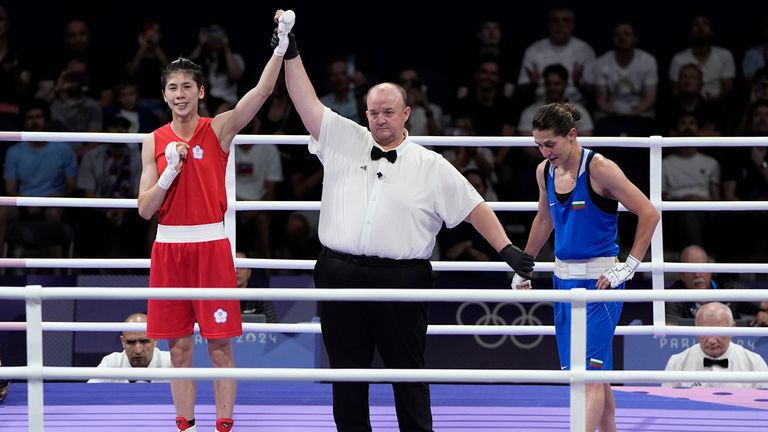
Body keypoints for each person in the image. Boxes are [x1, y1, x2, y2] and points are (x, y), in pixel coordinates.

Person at [275, 12, 535, 432]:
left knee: (407, 373)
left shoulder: (431, 165)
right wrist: (292, 49)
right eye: (374, 112)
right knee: (346, 374)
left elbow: (474, 207)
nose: (380, 119)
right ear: (365, 113)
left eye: (389, 111)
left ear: (407, 113)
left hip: (402, 278)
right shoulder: (342, 137)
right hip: (338, 271)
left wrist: (507, 250)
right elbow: (304, 98)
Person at [136, 10, 295, 432]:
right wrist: (169, 171)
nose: (180, 93)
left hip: (211, 247)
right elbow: (145, 208)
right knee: (179, 347)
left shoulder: (219, 129)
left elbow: (260, 93)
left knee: (221, 346)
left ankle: (224, 425)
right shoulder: (153, 141)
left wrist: (281, 46)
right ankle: (184, 424)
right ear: (165, 95)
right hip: (169, 248)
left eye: (187, 86)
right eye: (173, 87)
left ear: (200, 92)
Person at [512, 102, 660, 432]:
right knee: (590, 375)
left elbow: (649, 212)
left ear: (572, 135)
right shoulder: (544, 171)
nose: (544, 151)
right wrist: (524, 265)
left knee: (588, 378)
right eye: (538, 144)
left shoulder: (600, 168)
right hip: (562, 281)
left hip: (601, 283)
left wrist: (629, 265)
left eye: (550, 144)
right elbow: (545, 219)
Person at [663, 302, 768, 388]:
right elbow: (666, 406)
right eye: (705, 332)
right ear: (695, 330)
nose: (712, 340)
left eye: (718, 331)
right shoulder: (676, 363)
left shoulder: (755, 363)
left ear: (733, 328)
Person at [664, 245, 757, 325]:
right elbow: (670, 329)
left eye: (702, 267)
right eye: (690, 269)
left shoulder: (728, 287)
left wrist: (765, 315)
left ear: (711, 269)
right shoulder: (673, 294)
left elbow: (764, 303)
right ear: (681, 275)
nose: (697, 274)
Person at [87, 313, 172, 383]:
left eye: (144, 341)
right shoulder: (111, 363)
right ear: (122, 341)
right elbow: (88, 394)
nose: (138, 350)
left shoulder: (172, 363)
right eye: (131, 342)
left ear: (155, 340)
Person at [236, 251, 278, 322]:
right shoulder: (219, 295)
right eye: (232, 266)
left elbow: (273, 324)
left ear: (249, 272)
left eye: (241, 267)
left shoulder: (260, 295)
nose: (237, 271)